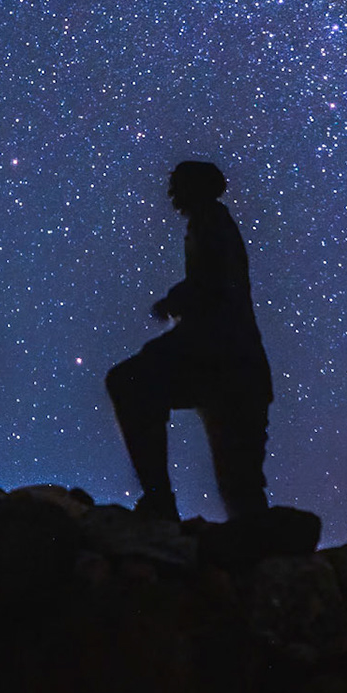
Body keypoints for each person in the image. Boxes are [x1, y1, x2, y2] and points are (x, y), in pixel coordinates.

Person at [106, 161, 274, 520]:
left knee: (129, 383)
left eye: (178, 185)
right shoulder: (210, 225)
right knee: (239, 484)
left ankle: (160, 501)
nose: (170, 194)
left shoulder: (211, 225)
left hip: (225, 363)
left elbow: (213, 288)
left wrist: (175, 302)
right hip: (235, 368)